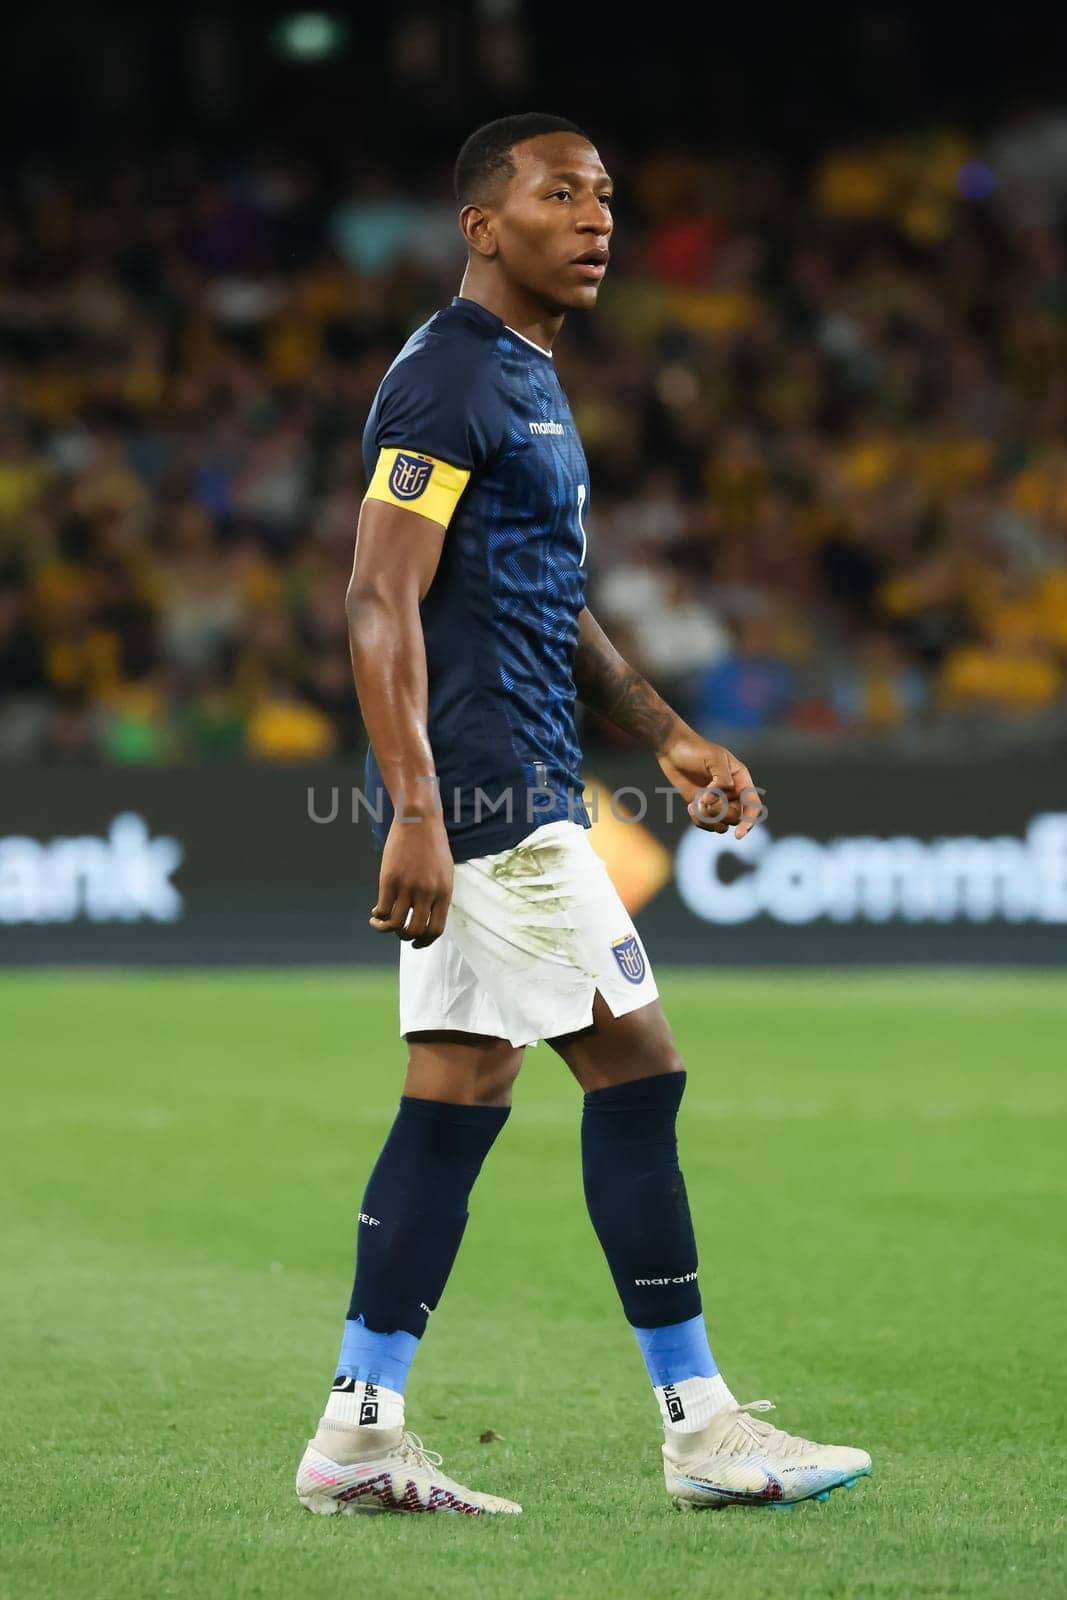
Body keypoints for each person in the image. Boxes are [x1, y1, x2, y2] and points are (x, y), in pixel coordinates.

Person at [295, 113, 871, 1517]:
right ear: (484, 227)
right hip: (492, 794)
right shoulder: (446, 382)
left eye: (608, 194)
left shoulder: (529, 384)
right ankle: (703, 1426)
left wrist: (667, 734)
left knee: (457, 1093)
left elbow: (540, 603)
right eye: (562, 194)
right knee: (641, 1074)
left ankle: (357, 1433)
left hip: (514, 779)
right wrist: (418, 809)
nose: (598, 216)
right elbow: (378, 593)